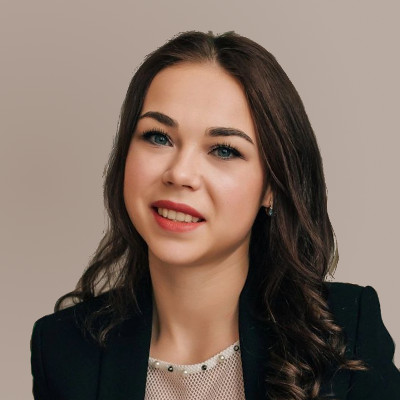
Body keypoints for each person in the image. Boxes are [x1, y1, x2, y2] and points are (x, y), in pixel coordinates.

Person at [30, 31, 400, 400]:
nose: (180, 173)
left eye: (223, 150)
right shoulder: (62, 349)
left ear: (272, 186)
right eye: (158, 137)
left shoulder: (346, 333)